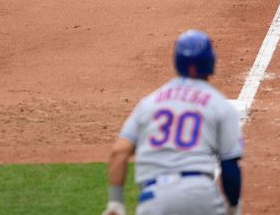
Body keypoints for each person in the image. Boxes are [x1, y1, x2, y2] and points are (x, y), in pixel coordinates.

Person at [102, 30, 243, 215]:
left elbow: (119, 152)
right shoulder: (219, 104)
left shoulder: (149, 103)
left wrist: (115, 203)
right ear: (210, 61)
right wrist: (233, 206)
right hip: (200, 196)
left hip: (153, 199)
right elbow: (229, 167)